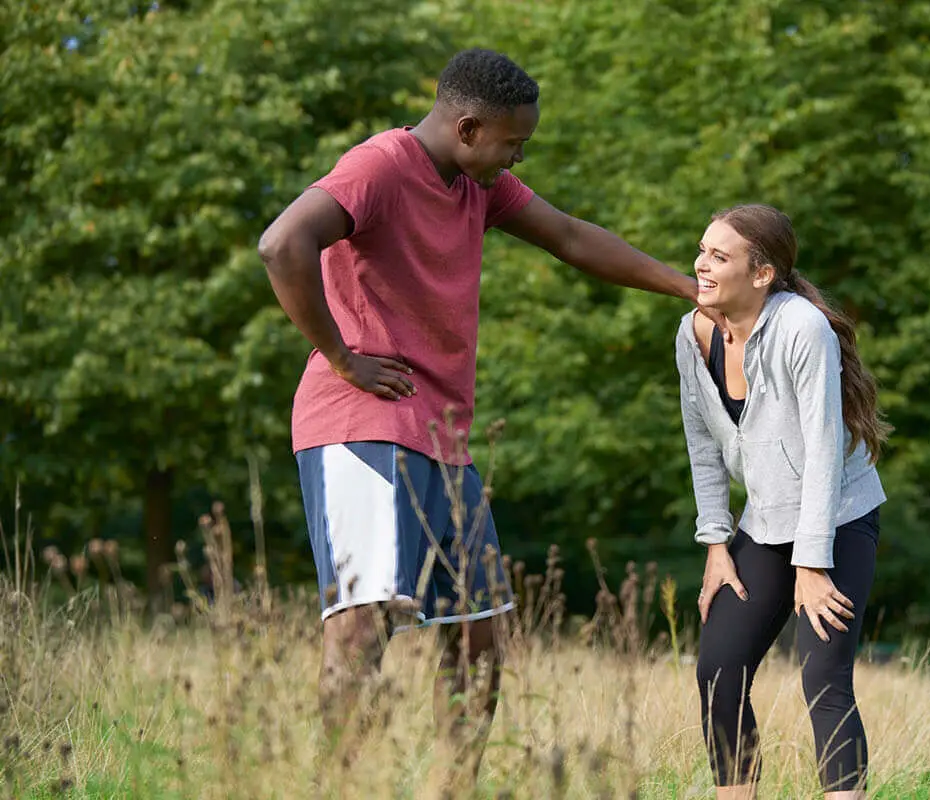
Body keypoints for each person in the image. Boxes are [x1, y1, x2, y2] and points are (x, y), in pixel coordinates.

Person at [257, 48, 717, 798]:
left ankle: (453, 789)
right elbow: (282, 243)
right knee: (363, 621)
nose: (517, 157)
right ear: (468, 127)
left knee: (481, 632)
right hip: (362, 423)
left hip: (443, 437)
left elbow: (570, 237)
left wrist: (687, 290)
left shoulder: (475, 185)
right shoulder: (378, 166)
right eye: (511, 142)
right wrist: (340, 357)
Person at [676, 204, 892, 799]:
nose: (701, 265)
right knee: (719, 672)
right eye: (702, 250)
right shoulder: (693, 333)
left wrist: (813, 564)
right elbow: (702, 445)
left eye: (720, 257)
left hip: (837, 518)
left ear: (763, 273)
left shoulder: (801, 328)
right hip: (765, 520)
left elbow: (823, 450)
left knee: (824, 678)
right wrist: (717, 545)